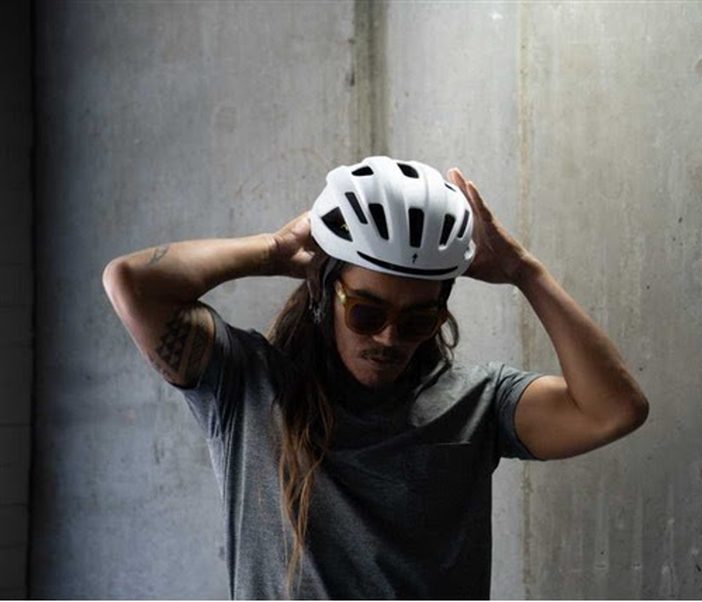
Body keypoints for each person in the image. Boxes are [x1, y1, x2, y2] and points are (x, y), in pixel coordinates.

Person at [102, 156, 649, 599]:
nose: (388, 338)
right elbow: (131, 284)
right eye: (366, 312)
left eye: (417, 320)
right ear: (324, 291)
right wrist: (272, 251)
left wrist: (523, 271)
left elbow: (614, 410)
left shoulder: (477, 403)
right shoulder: (249, 388)